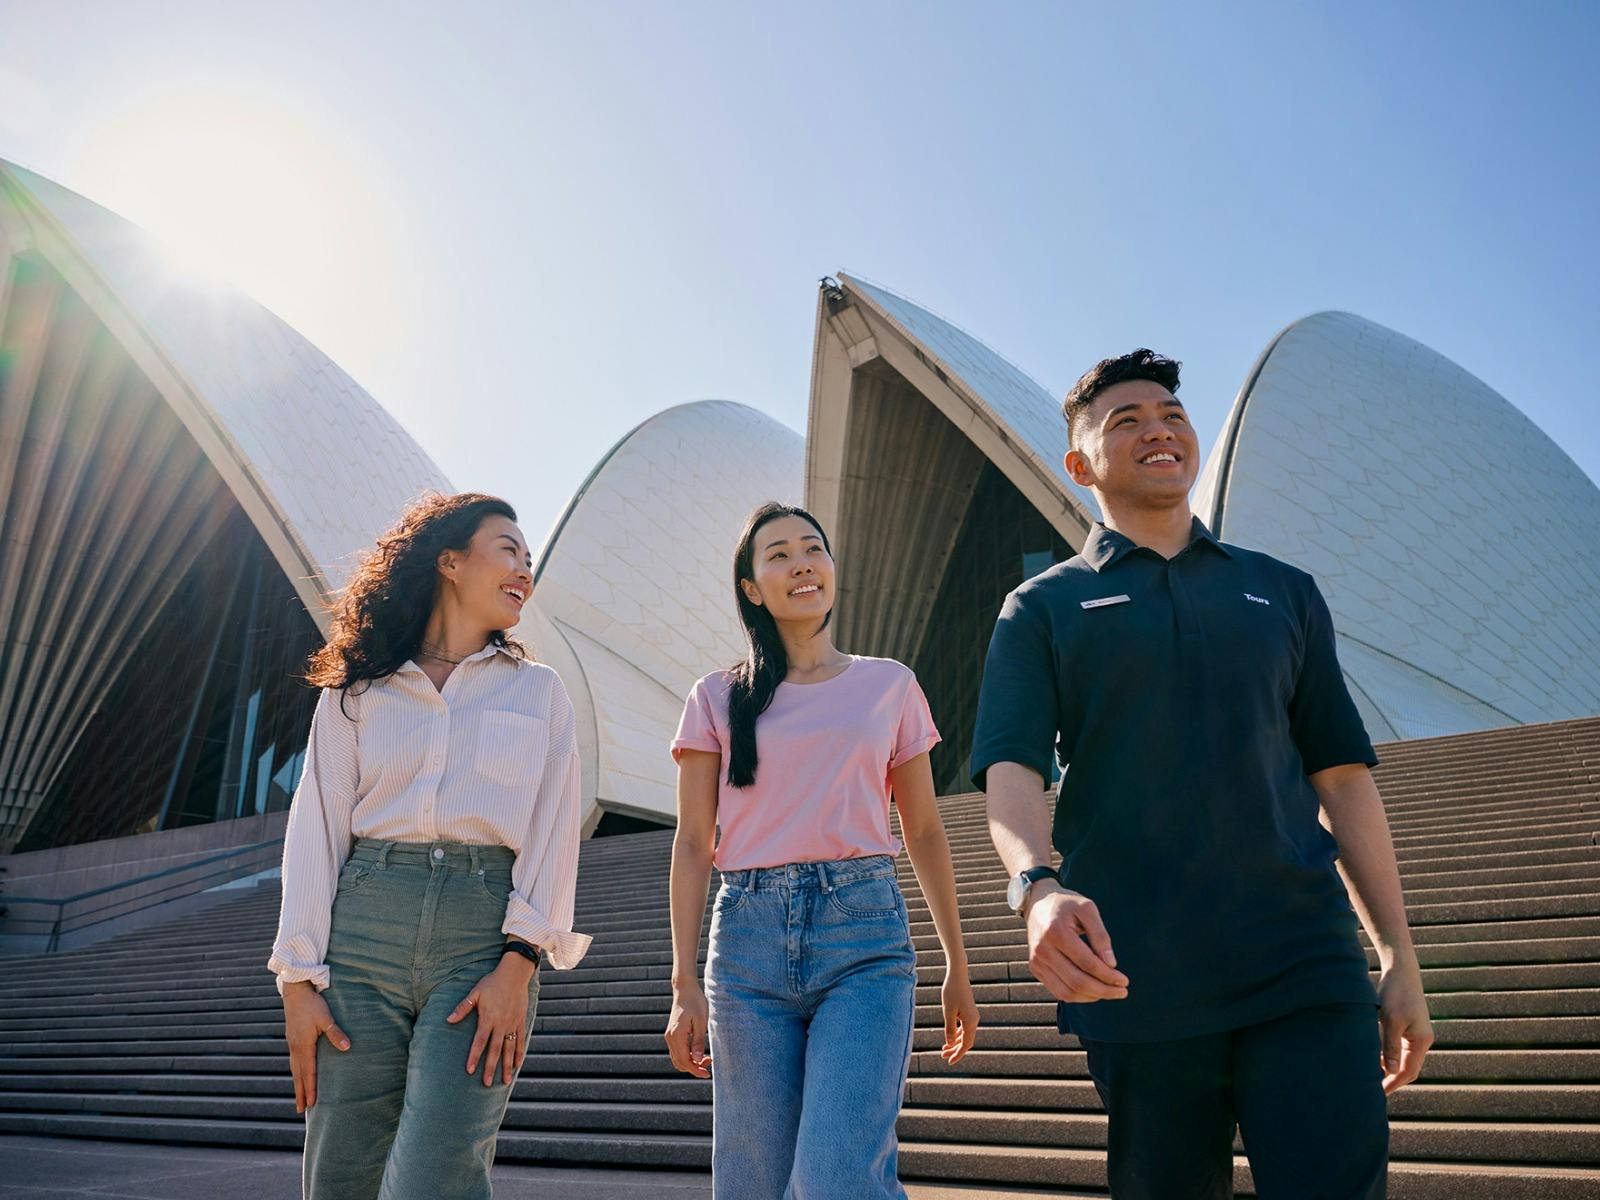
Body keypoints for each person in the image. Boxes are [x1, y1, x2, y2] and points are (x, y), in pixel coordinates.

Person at [972, 351, 1433, 1200]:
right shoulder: (1041, 607)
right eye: (1128, 420)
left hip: (1305, 958)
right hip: (1136, 970)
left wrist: (1396, 952)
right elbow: (1012, 770)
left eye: (1172, 413)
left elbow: (1343, 778)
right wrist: (1035, 887)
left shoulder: (1283, 592)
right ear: (1079, 466)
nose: (1160, 429)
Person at [267, 492, 591, 1200]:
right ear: (449, 560)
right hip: (361, 939)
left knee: (437, 1176)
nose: (524, 570)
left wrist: (520, 962)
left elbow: (554, 832)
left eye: (529, 560)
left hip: (481, 943)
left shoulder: (539, 693)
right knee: (340, 1174)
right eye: (508, 549)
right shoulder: (359, 691)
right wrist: (296, 977)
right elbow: (316, 831)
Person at [663, 501, 979, 1199]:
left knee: (839, 1177)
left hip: (864, 940)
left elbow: (924, 829)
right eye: (777, 554)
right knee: (754, 1185)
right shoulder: (715, 697)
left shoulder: (889, 684)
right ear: (752, 587)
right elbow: (692, 843)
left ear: (833, 569)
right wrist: (684, 983)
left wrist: (958, 961)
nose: (801, 562)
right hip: (745, 946)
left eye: (813, 549)